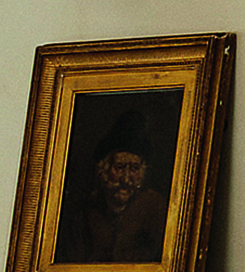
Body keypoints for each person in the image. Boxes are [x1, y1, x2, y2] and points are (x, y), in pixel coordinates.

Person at [59, 110, 170, 264]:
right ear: (103, 170)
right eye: (119, 168)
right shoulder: (84, 213)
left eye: (134, 169)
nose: (126, 179)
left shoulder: (155, 208)